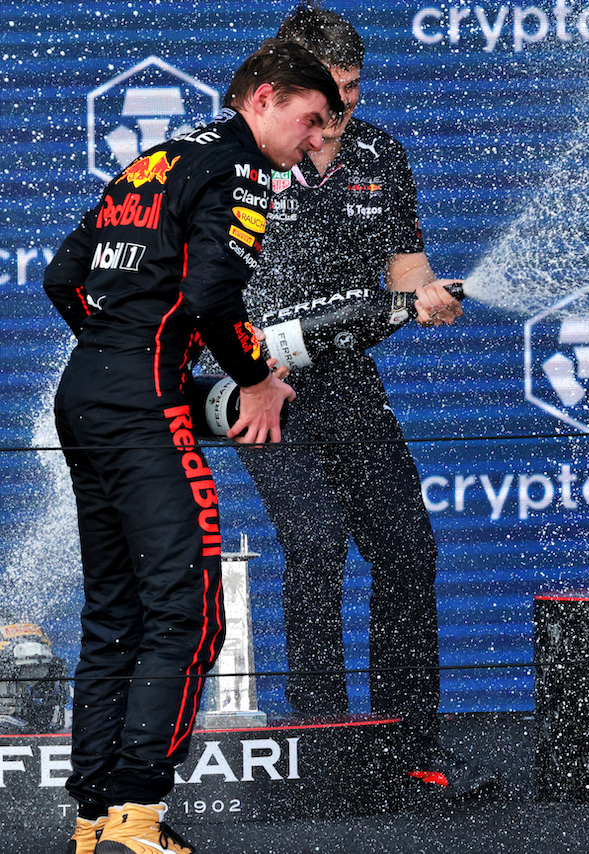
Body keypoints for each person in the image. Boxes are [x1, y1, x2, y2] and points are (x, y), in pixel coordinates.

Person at [44, 40, 341, 854]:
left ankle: (95, 820)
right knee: (188, 614)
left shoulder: (155, 162)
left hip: (87, 389)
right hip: (140, 403)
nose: (315, 142)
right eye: (312, 122)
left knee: (114, 615)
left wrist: (121, 349)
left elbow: (63, 277)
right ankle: (139, 817)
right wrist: (253, 379)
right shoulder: (240, 168)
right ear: (266, 99)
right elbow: (213, 295)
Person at [230, 2, 497, 799]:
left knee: (408, 550)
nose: (343, 106)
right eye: (328, 90)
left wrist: (430, 295)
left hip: (347, 378)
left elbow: (406, 271)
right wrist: (248, 367)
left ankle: (406, 750)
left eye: (354, 87)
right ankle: (322, 750)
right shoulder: (239, 155)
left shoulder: (381, 151)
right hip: (259, 381)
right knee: (314, 544)